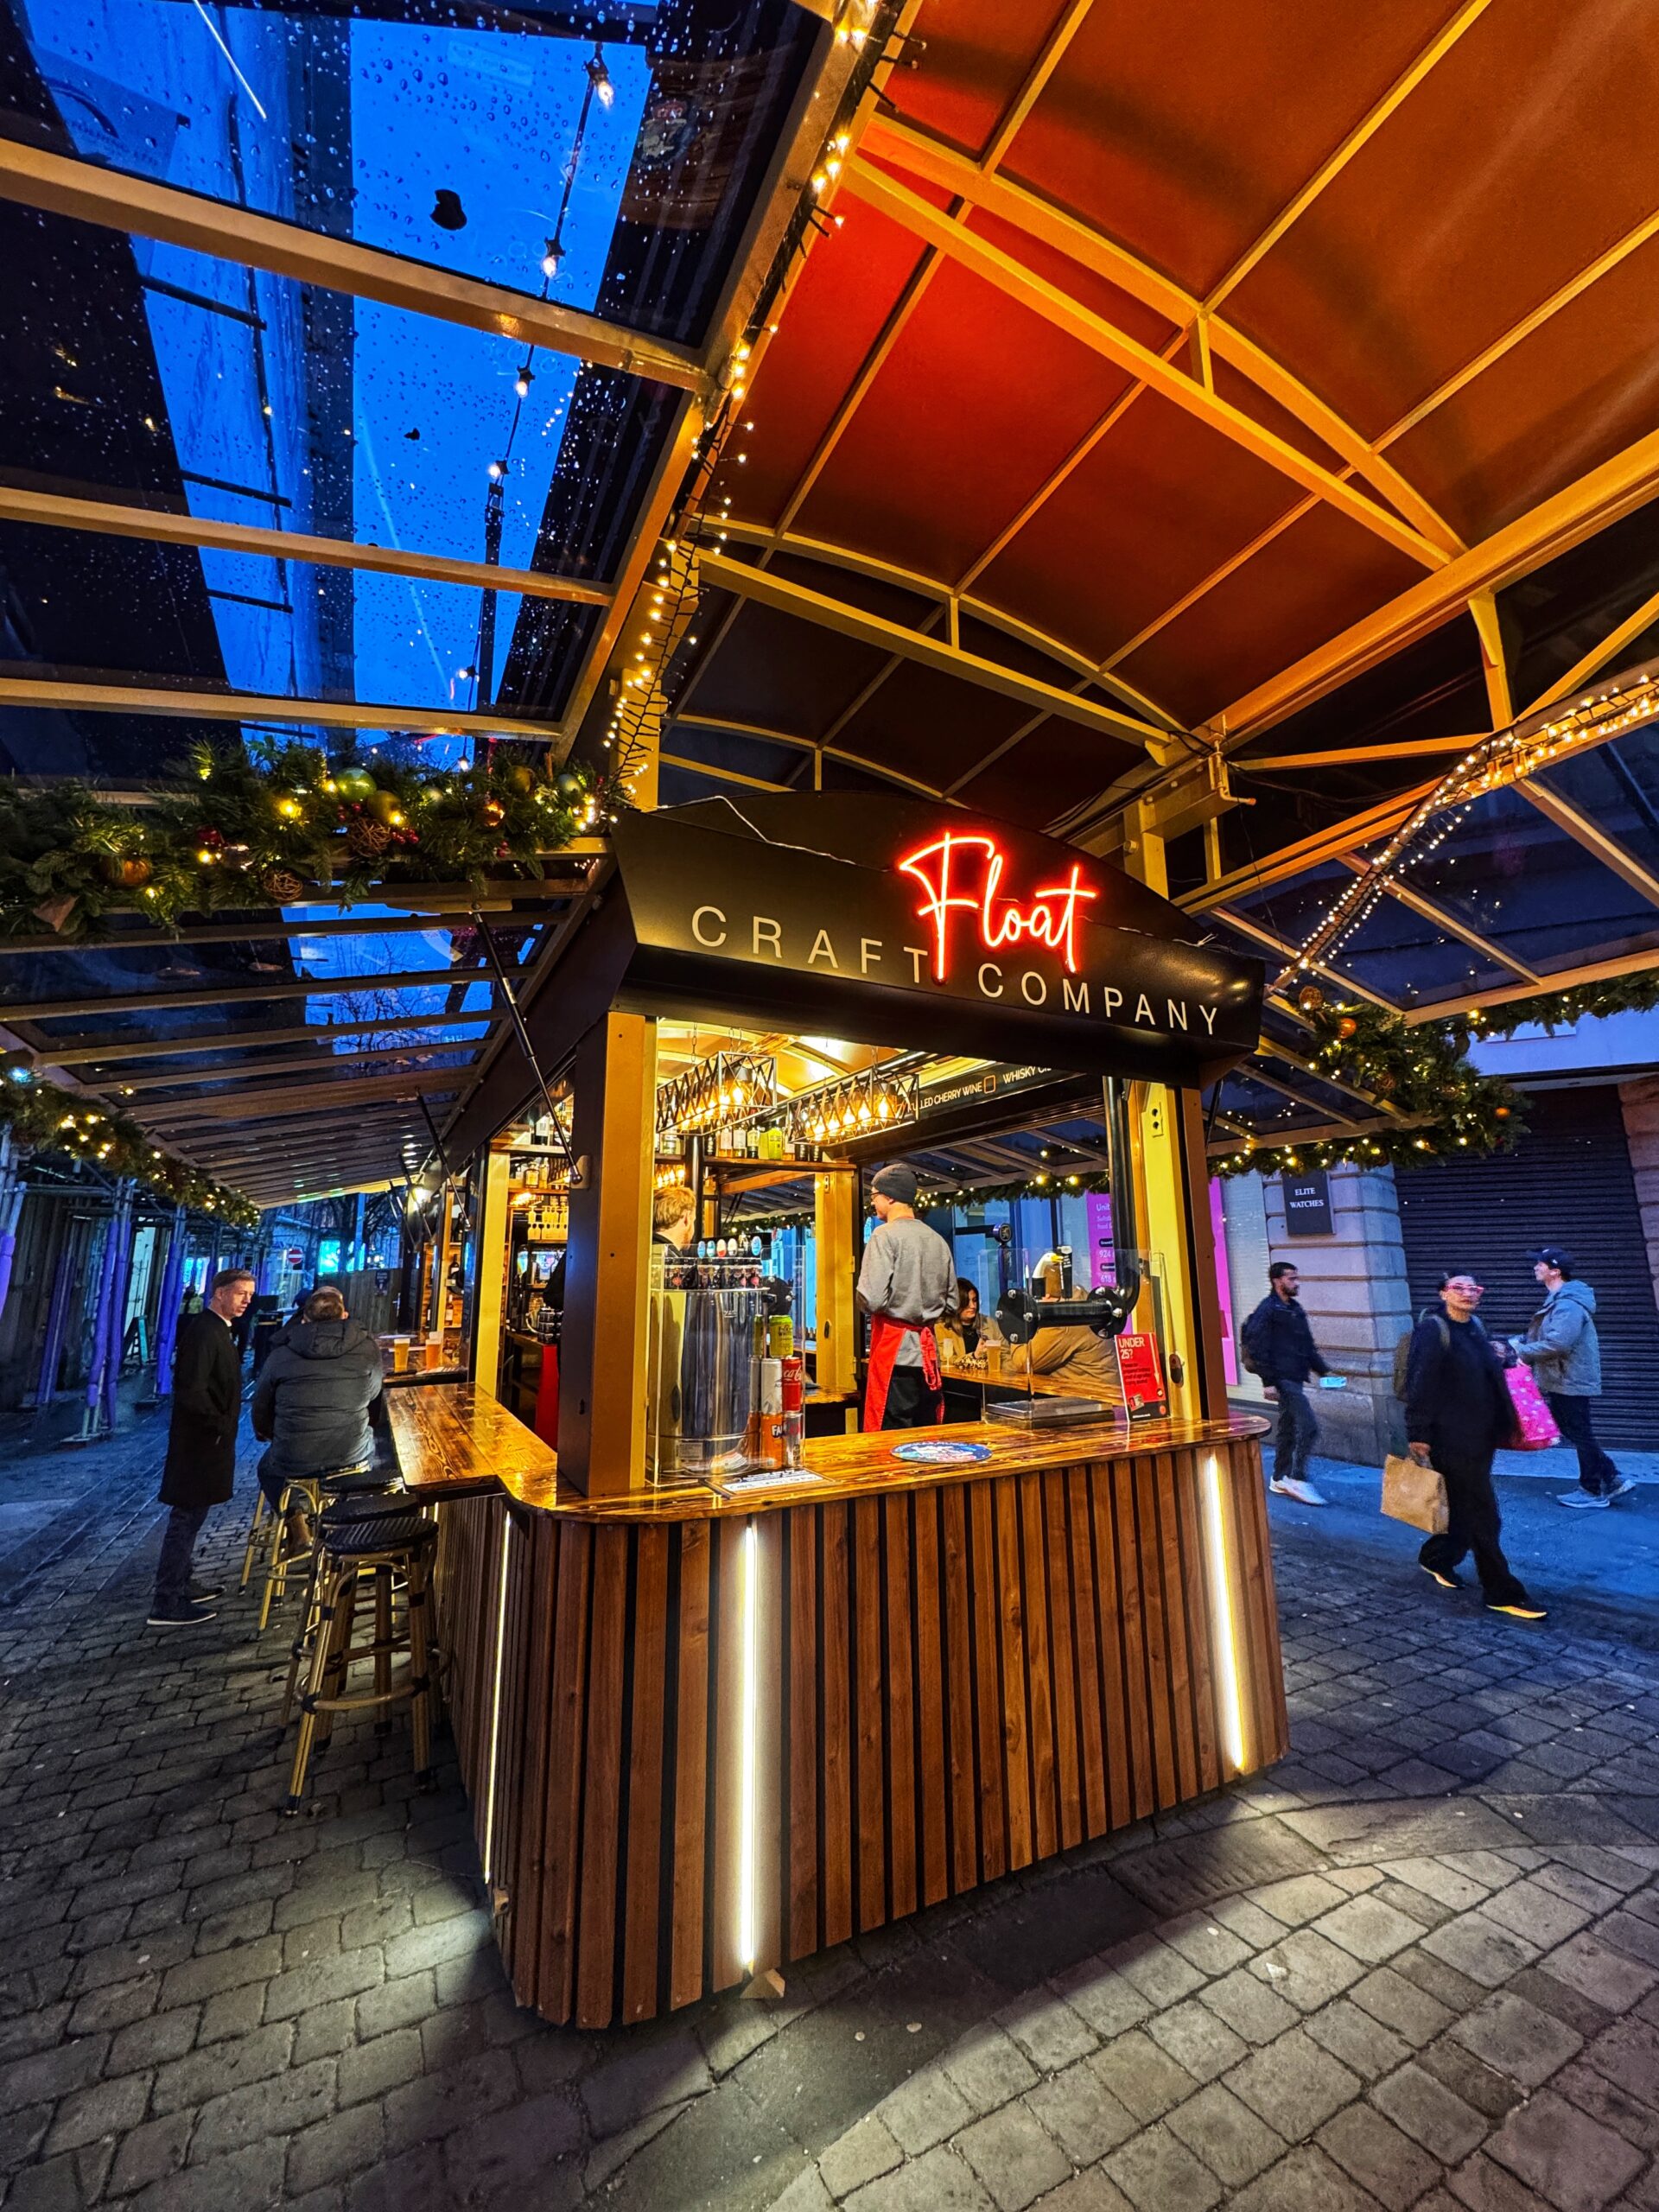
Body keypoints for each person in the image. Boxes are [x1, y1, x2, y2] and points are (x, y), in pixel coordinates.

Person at [1405, 1269, 1544, 1620]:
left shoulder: (1477, 1328)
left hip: (1480, 1435)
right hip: (1450, 1437)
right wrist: (1418, 1433)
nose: (1468, 1293)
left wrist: (1503, 1356)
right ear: (1443, 1294)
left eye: (1473, 1288)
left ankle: (1436, 1558)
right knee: (1484, 1513)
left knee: (1466, 1508)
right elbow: (1420, 1382)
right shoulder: (1433, 1330)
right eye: (1458, 1288)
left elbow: (1487, 1374)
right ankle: (1501, 1591)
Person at [148, 1265, 254, 1628]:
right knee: (186, 1516)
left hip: (207, 1439)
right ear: (220, 1292)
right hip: (199, 1442)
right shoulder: (205, 1333)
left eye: (249, 1296)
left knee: (194, 1514)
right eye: (241, 1294)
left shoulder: (217, 1330)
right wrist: (219, 1423)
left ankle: (182, 1580)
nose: (246, 1301)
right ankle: (167, 1598)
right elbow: (191, 1389)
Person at [251, 1287, 385, 1559]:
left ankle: (294, 1518)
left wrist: (268, 1434)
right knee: (376, 1451)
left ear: (304, 1319)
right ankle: (347, 1526)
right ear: (344, 1315)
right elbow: (372, 1394)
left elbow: (261, 1407)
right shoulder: (366, 1347)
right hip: (349, 1453)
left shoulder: (280, 1354)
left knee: (268, 1468)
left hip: (294, 1457)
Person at [1513, 1246, 1633, 1511]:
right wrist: (1522, 1343)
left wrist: (1523, 1352)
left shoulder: (1567, 1303)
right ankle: (1611, 1479)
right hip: (1563, 1376)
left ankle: (1594, 1488)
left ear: (1554, 1271)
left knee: (1579, 1432)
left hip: (1569, 1377)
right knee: (1575, 1431)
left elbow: (1558, 1343)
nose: (1535, 1268)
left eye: (1540, 1264)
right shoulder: (1560, 1300)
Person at [857, 1163, 956, 1430]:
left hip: (896, 1353)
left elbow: (872, 1299)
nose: (873, 1202)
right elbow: (953, 1303)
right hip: (928, 1357)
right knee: (925, 1433)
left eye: (874, 1195)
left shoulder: (884, 1236)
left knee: (891, 1435)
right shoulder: (937, 1240)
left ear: (889, 1196)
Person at [1240, 1261, 1330, 1506]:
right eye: (1291, 1278)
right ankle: (1297, 1478)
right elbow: (1258, 1347)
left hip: (1295, 1377)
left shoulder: (1295, 1309)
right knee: (1309, 1426)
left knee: (1288, 1429)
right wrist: (1268, 1382)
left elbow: (1307, 1346)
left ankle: (1279, 1477)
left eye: (1296, 1278)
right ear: (1277, 1281)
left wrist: (1325, 1372)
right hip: (1282, 1380)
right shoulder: (1268, 1309)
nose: (1296, 1283)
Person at [937, 1280, 982, 1363]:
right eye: (967, 1302)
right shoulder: (942, 1327)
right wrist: (974, 1356)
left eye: (974, 1300)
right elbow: (947, 1360)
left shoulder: (988, 1323)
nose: (973, 1306)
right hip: (957, 1375)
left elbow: (1005, 1355)